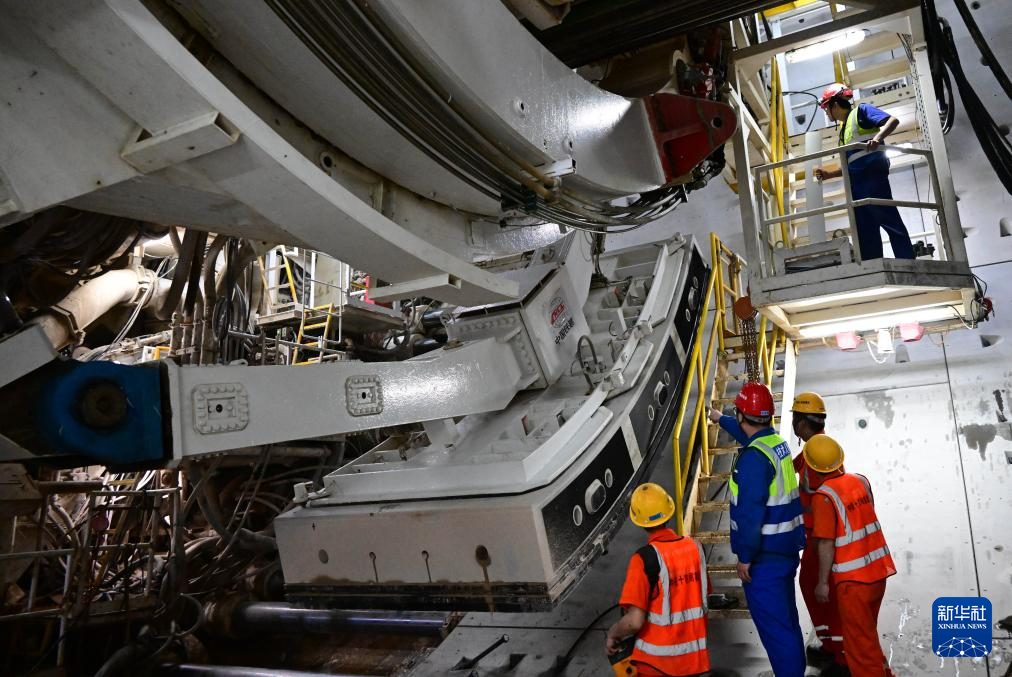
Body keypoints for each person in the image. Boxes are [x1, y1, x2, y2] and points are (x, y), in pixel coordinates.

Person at [714, 382, 806, 676]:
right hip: (784, 551)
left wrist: (745, 557)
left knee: (776, 632)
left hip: (764, 559)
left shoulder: (753, 460)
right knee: (786, 624)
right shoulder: (775, 443)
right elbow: (748, 432)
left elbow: (750, 515)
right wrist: (719, 418)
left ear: (742, 415)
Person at [804, 435, 897, 677]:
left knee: (859, 650)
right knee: (867, 638)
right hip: (878, 572)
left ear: (812, 467)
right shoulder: (860, 481)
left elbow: (826, 543)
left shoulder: (824, 497)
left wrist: (822, 583)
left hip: (854, 583)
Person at [606, 483, 710, 677]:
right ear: (669, 511)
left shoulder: (643, 559)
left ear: (639, 521)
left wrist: (613, 633)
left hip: (657, 665)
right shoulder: (696, 549)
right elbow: (700, 598)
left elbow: (634, 622)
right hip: (695, 662)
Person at [813, 83, 915, 261]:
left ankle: (907, 261)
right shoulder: (844, 131)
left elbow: (892, 121)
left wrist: (877, 138)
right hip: (856, 183)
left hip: (872, 178)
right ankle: (873, 266)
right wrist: (830, 174)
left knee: (889, 220)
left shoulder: (861, 111)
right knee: (866, 229)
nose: (827, 113)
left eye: (826, 108)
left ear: (834, 105)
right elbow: (852, 163)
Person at [790, 392, 847, 675]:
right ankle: (831, 645)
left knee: (819, 591)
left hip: (820, 537)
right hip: (819, 535)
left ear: (802, 424)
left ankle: (839, 655)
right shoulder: (819, 446)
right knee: (815, 590)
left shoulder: (816, 455)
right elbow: (796, 465)